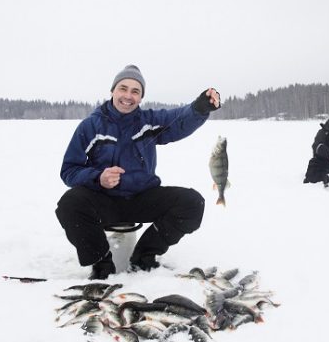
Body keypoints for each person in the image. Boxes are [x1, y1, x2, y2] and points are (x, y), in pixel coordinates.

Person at [55, 64, 221, 280]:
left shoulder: (149, 121)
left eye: (135, 91)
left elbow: (179, 119)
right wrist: (98, 178)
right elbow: (69, 170)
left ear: (141, 97)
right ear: (113, 90)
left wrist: (200, 107)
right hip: (103, 199)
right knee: (70, 204)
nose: (128, 96)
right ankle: (101, 264)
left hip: (142, 198)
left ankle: (144, 256)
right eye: (123, 88)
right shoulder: (90, 126)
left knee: (192, 203)